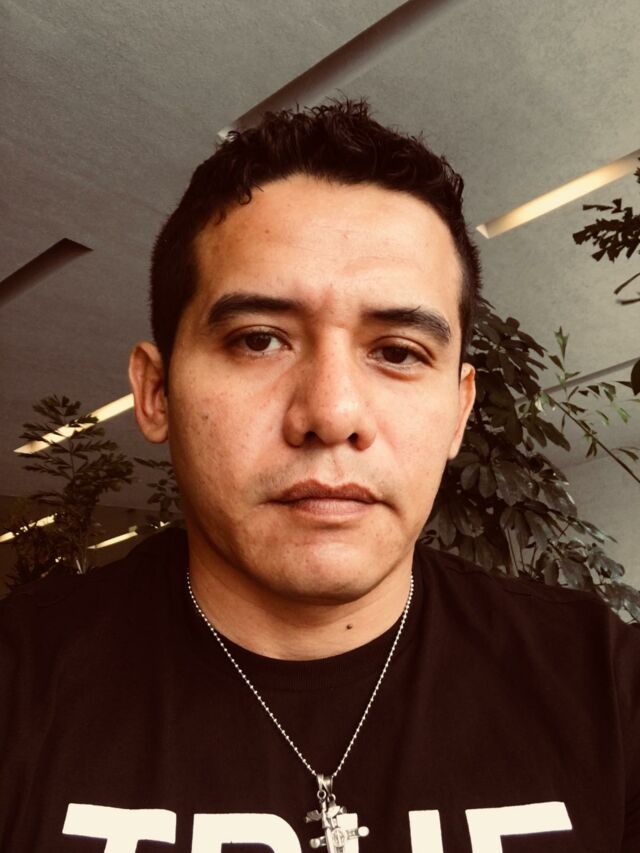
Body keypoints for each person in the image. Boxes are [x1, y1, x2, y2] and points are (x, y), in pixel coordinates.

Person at [1, 97, 639, 853]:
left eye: (398, 352)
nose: (332, 414)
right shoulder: (21, 690)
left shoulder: (607, 692)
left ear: (459, 411)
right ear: (156, 392)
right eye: (259, 340)